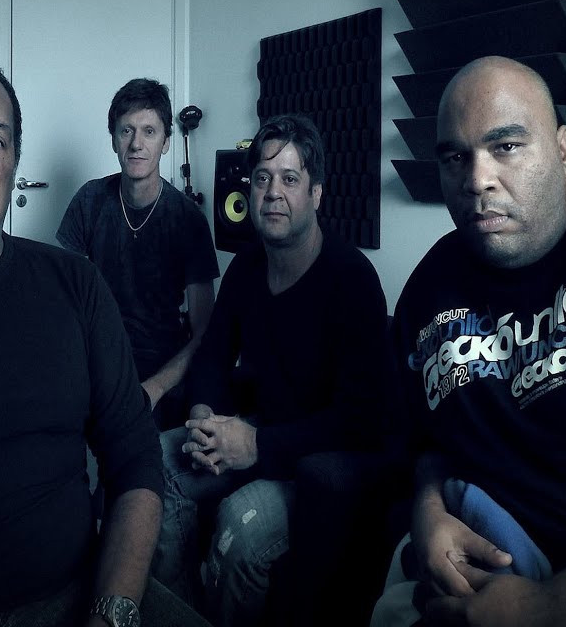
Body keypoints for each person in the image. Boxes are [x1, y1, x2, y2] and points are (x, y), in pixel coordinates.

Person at [0, 50, 208, 627]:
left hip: (87, 596)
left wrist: (111, 612)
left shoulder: (75, 285)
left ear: (13, 163)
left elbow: (134, 457)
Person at [371, 55, 566, 627]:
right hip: (463, 563)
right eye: (455, 157)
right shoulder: (429, 289)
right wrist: (427, 510)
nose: (476, 180)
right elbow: (424, 440)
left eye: (506, 146)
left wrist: (548, 609)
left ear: (562, 147)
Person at [150, 114, 392, 627]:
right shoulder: (247, 266)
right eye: (262, 178)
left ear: (316, 194)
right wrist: (203, 418)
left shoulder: (351, 279)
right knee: (154, 462)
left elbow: (361, 420)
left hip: (318, 460)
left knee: (239, 528)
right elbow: (214, 354)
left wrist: (257, 444)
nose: (273, 192)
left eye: (289, 179)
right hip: (261, 431)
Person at [58, 78, 219, 431]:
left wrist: (152, 390)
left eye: (149, 131)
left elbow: (204, 331)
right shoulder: (89, 200)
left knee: (137, 452)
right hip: (100, 356)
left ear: (165, 142)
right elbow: (64, 301)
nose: (136, 144)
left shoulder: (187, 219)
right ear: (113, 138)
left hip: (163, 369)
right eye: (126, 130)